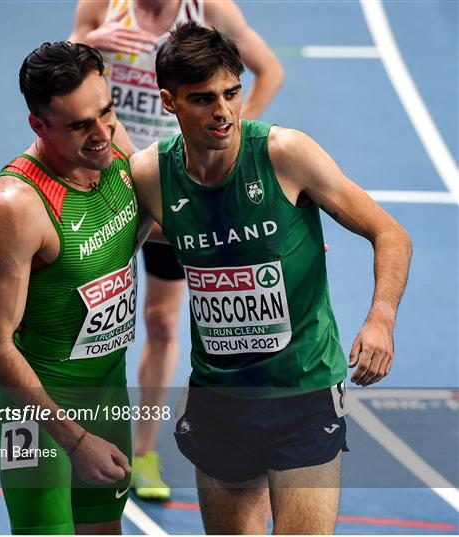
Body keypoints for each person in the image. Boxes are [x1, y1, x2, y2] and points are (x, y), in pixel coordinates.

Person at [130, 22, 412, 534]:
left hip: (303, 389)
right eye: (203, 99)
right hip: (219, 397)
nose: (223, 112)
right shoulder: (150, 175)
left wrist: (381, 318)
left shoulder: (285, 153)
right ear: (168, 102)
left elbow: (389, 232)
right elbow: (124, 239)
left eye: (232, 93)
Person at [69, 0, 284, 500]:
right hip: (111, 178)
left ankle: (143, 451)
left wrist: (223, 137)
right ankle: (79, 431)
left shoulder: (209, 9)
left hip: (175, 185)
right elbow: (69, 73)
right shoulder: (102, 5)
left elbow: (269, 71)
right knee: (94, 312)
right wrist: (94, 43)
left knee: (163, 323)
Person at [0, 41, 145, 534]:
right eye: (78, 125)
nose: (101, 135)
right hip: (29, 411)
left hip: (106, 388)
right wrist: (73, 441)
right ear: (38, 125)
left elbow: (156, 224)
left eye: (106, 112)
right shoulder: (15, 206)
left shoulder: (109, 143)